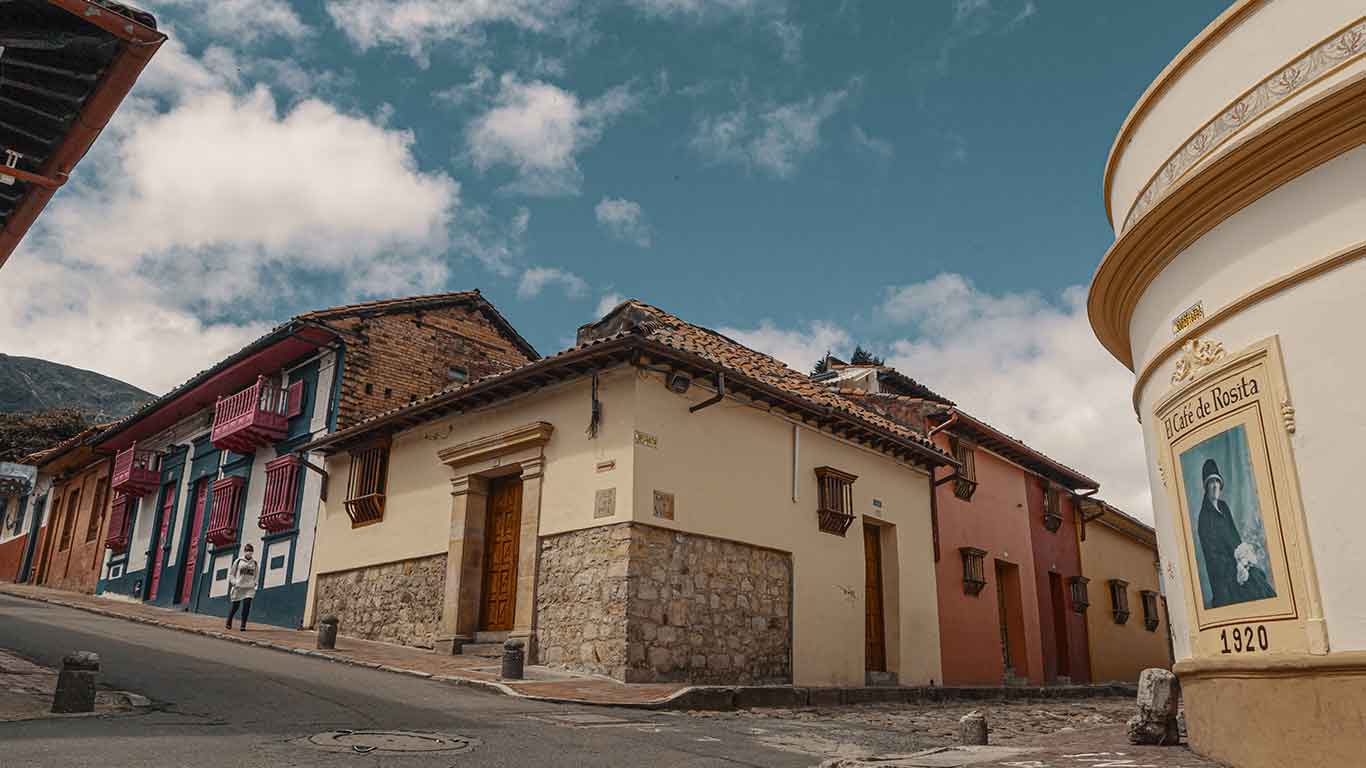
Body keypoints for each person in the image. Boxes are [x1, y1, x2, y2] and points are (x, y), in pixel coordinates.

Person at [1197, 459, 1253, 608]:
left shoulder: (1224, 506)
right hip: (1223, 576)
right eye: (1211, 482)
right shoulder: (1204, 519)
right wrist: (1234, 566)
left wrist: (1243, 558)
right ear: (1206, 486)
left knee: (1257, 580)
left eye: (1217, 481)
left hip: (1238, 565)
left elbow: (1235, 536)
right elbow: (1212, 557)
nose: (1215, 486)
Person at [226, 544, 259, 631]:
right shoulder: (238, 561)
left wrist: (255, 583)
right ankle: (229, 620)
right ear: (244, 551)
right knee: (235, 606)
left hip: (249, 588)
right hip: (239, 586)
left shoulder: (254, 563)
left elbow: (256, 575)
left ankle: (243, 624)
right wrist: (234, 582)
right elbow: (231, 574)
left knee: (247, 605)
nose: (249, 552)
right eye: (247, 550)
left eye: (251, 551)